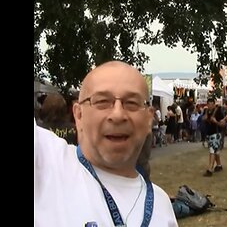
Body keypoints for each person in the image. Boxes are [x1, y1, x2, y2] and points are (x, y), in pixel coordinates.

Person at [34, 61, 178, 226]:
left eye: (131, 103)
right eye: (102, 101)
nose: (117, 115)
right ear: (78, 116)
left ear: (148, 120)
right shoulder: (46, 163)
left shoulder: (162, 207)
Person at [202, 98, 227, 176]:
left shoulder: (218, 112)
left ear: (214, 104)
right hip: (209, 134)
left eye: (211, 104)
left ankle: (210, 169)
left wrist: (215, 121)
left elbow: (223, 124)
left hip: (216, 134)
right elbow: (203, 119)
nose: (210, 106)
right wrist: (205, 117)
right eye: (208, 104)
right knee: (215, 151)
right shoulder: (206, 111)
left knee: (212, 151)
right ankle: (219, 165)